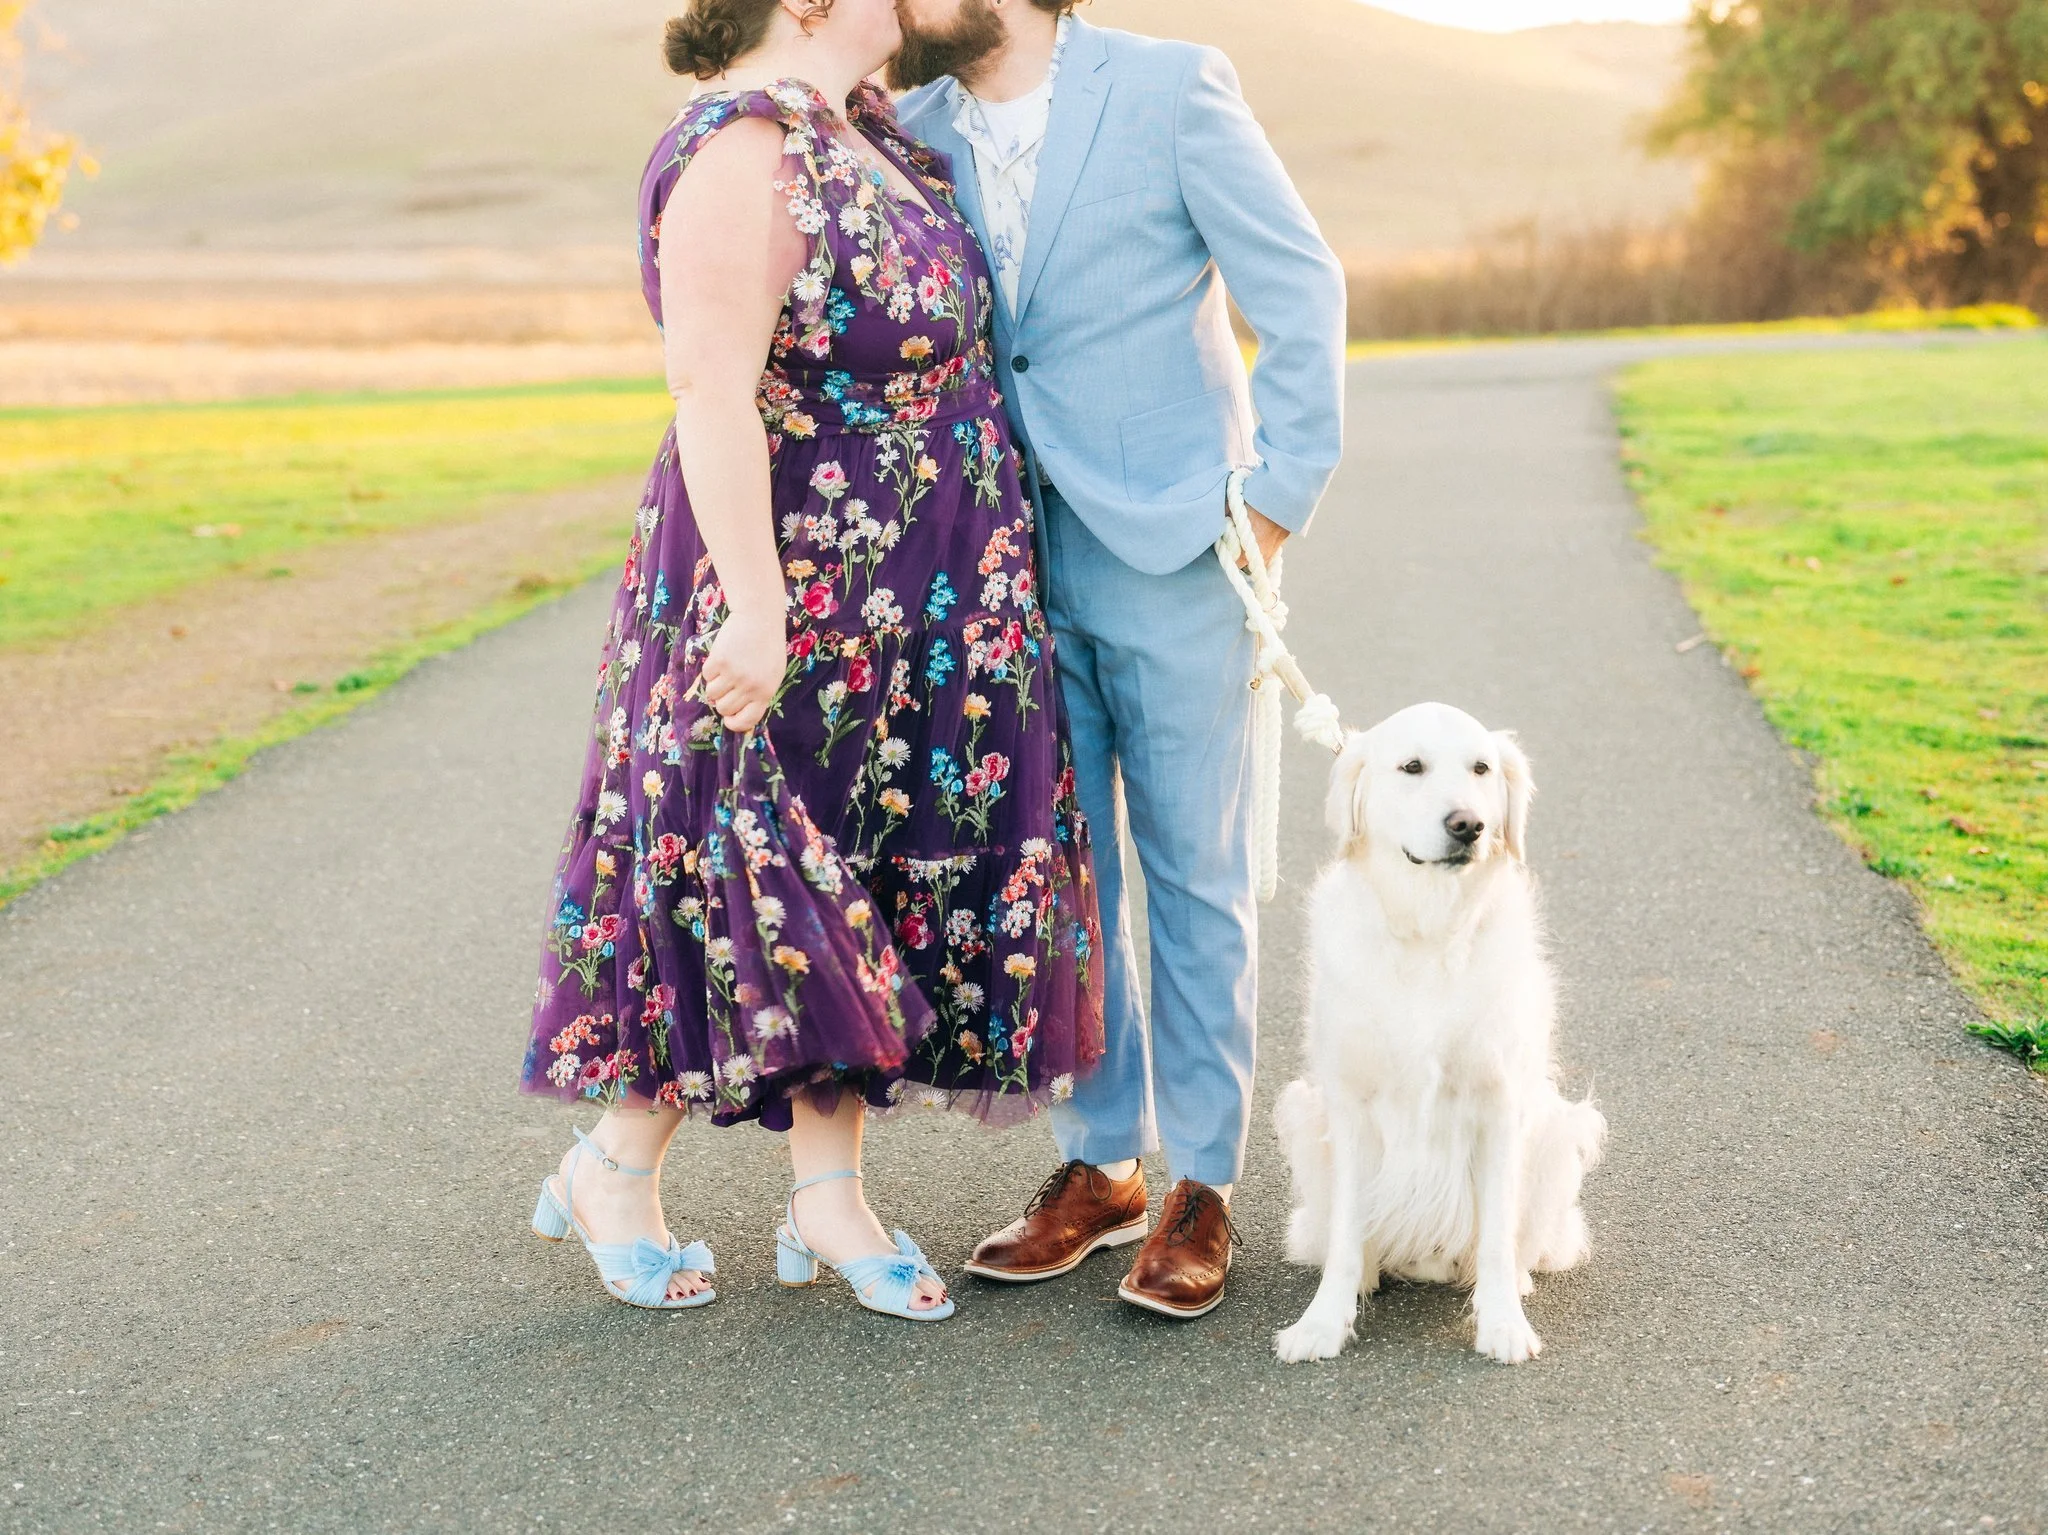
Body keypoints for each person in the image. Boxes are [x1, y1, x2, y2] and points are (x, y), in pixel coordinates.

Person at [519, 0, 1103, 1322]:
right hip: (800, 587)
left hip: (924, 597)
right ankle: (687, 1178)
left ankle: (803, 1190)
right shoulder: (745, 145)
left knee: (860, 877)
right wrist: (756, 610)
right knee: (773, 877)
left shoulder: (870, 133)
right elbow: (708, 387)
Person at [893, 0, 1346, 1319]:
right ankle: (1103, 1163)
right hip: (1006, 562)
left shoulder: (1172, 89)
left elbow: (1300, 285)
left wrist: (1272, 501)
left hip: (1182, 547)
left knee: (1195, 870)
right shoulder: (911, 129)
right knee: (1063, 876)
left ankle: (1202, 1179)